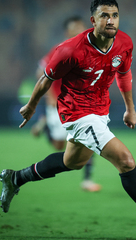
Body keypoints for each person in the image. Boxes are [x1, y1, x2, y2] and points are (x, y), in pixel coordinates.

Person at [0, 0, 136, 240]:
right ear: (93, 20)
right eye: (104, 16)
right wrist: (32, 106)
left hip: (100, 112)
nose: (110, 21)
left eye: (115, 15)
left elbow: (124, 74)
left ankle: (16, 177)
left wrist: (130, 108)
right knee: (126, 161)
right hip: (77, 114)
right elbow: (46, 79)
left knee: (72, 162)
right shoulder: (70, 50)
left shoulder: (124, 43)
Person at [31, 16, 101, 192]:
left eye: (80, 27)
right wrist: (49, 95)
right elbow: (41, 71)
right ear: (67, 32)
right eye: (74, 28)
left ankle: (87, 180)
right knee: (59, 145)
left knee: (90, 138)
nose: (78, 31)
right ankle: (46, 123)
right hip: (59, 104)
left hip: (81, 105)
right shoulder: (60, 49)